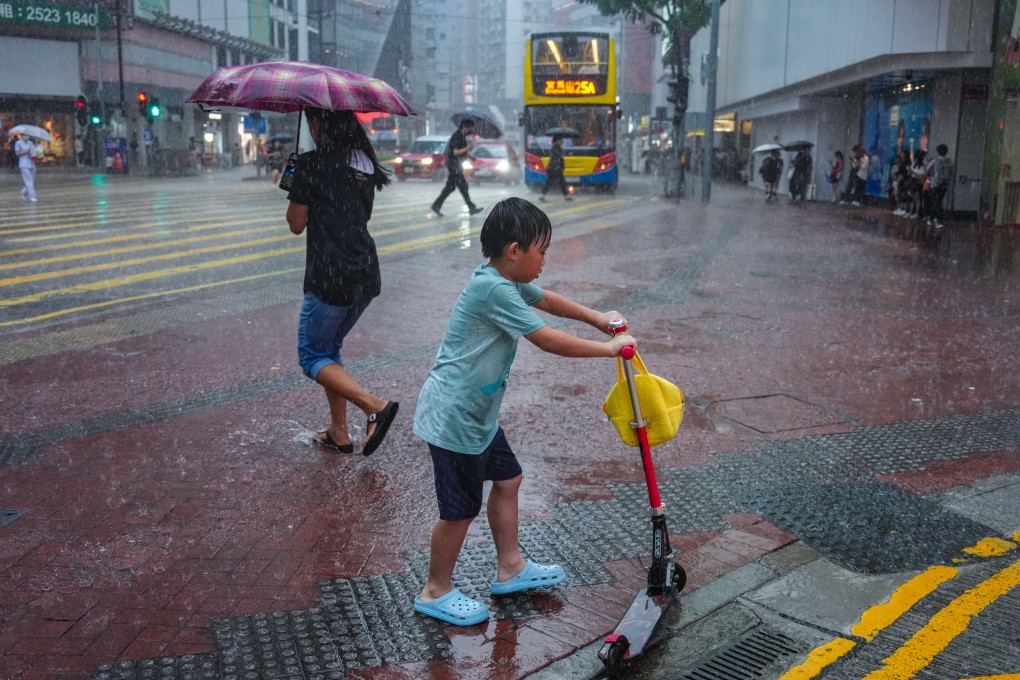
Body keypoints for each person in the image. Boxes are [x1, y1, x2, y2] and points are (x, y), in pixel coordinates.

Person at [412, 197, 636, 626]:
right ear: (515, 251)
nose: (545, 260)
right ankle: (435, 590)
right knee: (458, 511)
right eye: (542, 251)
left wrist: (598, 319)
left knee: (509, 478)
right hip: (454, 419)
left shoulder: (507, 281)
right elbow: (547, 338)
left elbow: (548, 301)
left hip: (477, 416)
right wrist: (608, 350)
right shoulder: (492, 288)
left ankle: (511, 567)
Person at [285, 107, 400, 457]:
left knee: (311, 356)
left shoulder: (311, 164)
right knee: (330, 351)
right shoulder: (363, 161)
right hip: (364, 272)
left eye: (311, 121)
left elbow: (295, 223)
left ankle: (373, 406)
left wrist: (293, 175)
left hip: (329, 276)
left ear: (320, 123)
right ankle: (338, 430)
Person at [431, 118, 484, 217]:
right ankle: (471, 207)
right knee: (461, 187)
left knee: (451, 188)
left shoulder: (462, 136)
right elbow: (455, 152)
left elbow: (461, 152)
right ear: (465, 127)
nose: (471, 130)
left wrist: (470, 156)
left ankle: (436, 205)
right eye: (470, 128)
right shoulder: (456, 136)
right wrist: (467, 148)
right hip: (454, 166)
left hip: (456, 165)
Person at [923, 144, 952, 229]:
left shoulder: (935, 160)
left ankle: (936, 219)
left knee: (935, 202)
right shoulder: (948, 162)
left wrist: (930, 176)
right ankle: (933, 218)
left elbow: (927, 170)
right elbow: (951, 173)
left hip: (935, 183)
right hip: (944, 184)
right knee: (938, 201)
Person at [539, 135, 571, 202]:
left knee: (550, 182)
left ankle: (542, 195)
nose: (563, 141)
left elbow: (559, 158)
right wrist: (558, 165)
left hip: (554, 168)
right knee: (561, 182)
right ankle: (566, 196)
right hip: (554, 168)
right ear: (557, 141)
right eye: (561, 139)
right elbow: (555, 159)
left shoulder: (558, 148)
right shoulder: (555, 148)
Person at [14, 134, 39, 202]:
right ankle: (32, 196)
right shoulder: (18, 143)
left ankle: (24, 192)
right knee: (28, 181)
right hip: (24, 164)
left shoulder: (30, 143)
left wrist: (35, 148)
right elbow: (17, 154)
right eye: (25, 135)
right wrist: (24, 151)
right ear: (22, 135)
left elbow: (33, 153)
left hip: (31, 163)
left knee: (32, 180)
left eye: (28, 135)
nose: (27, 137)